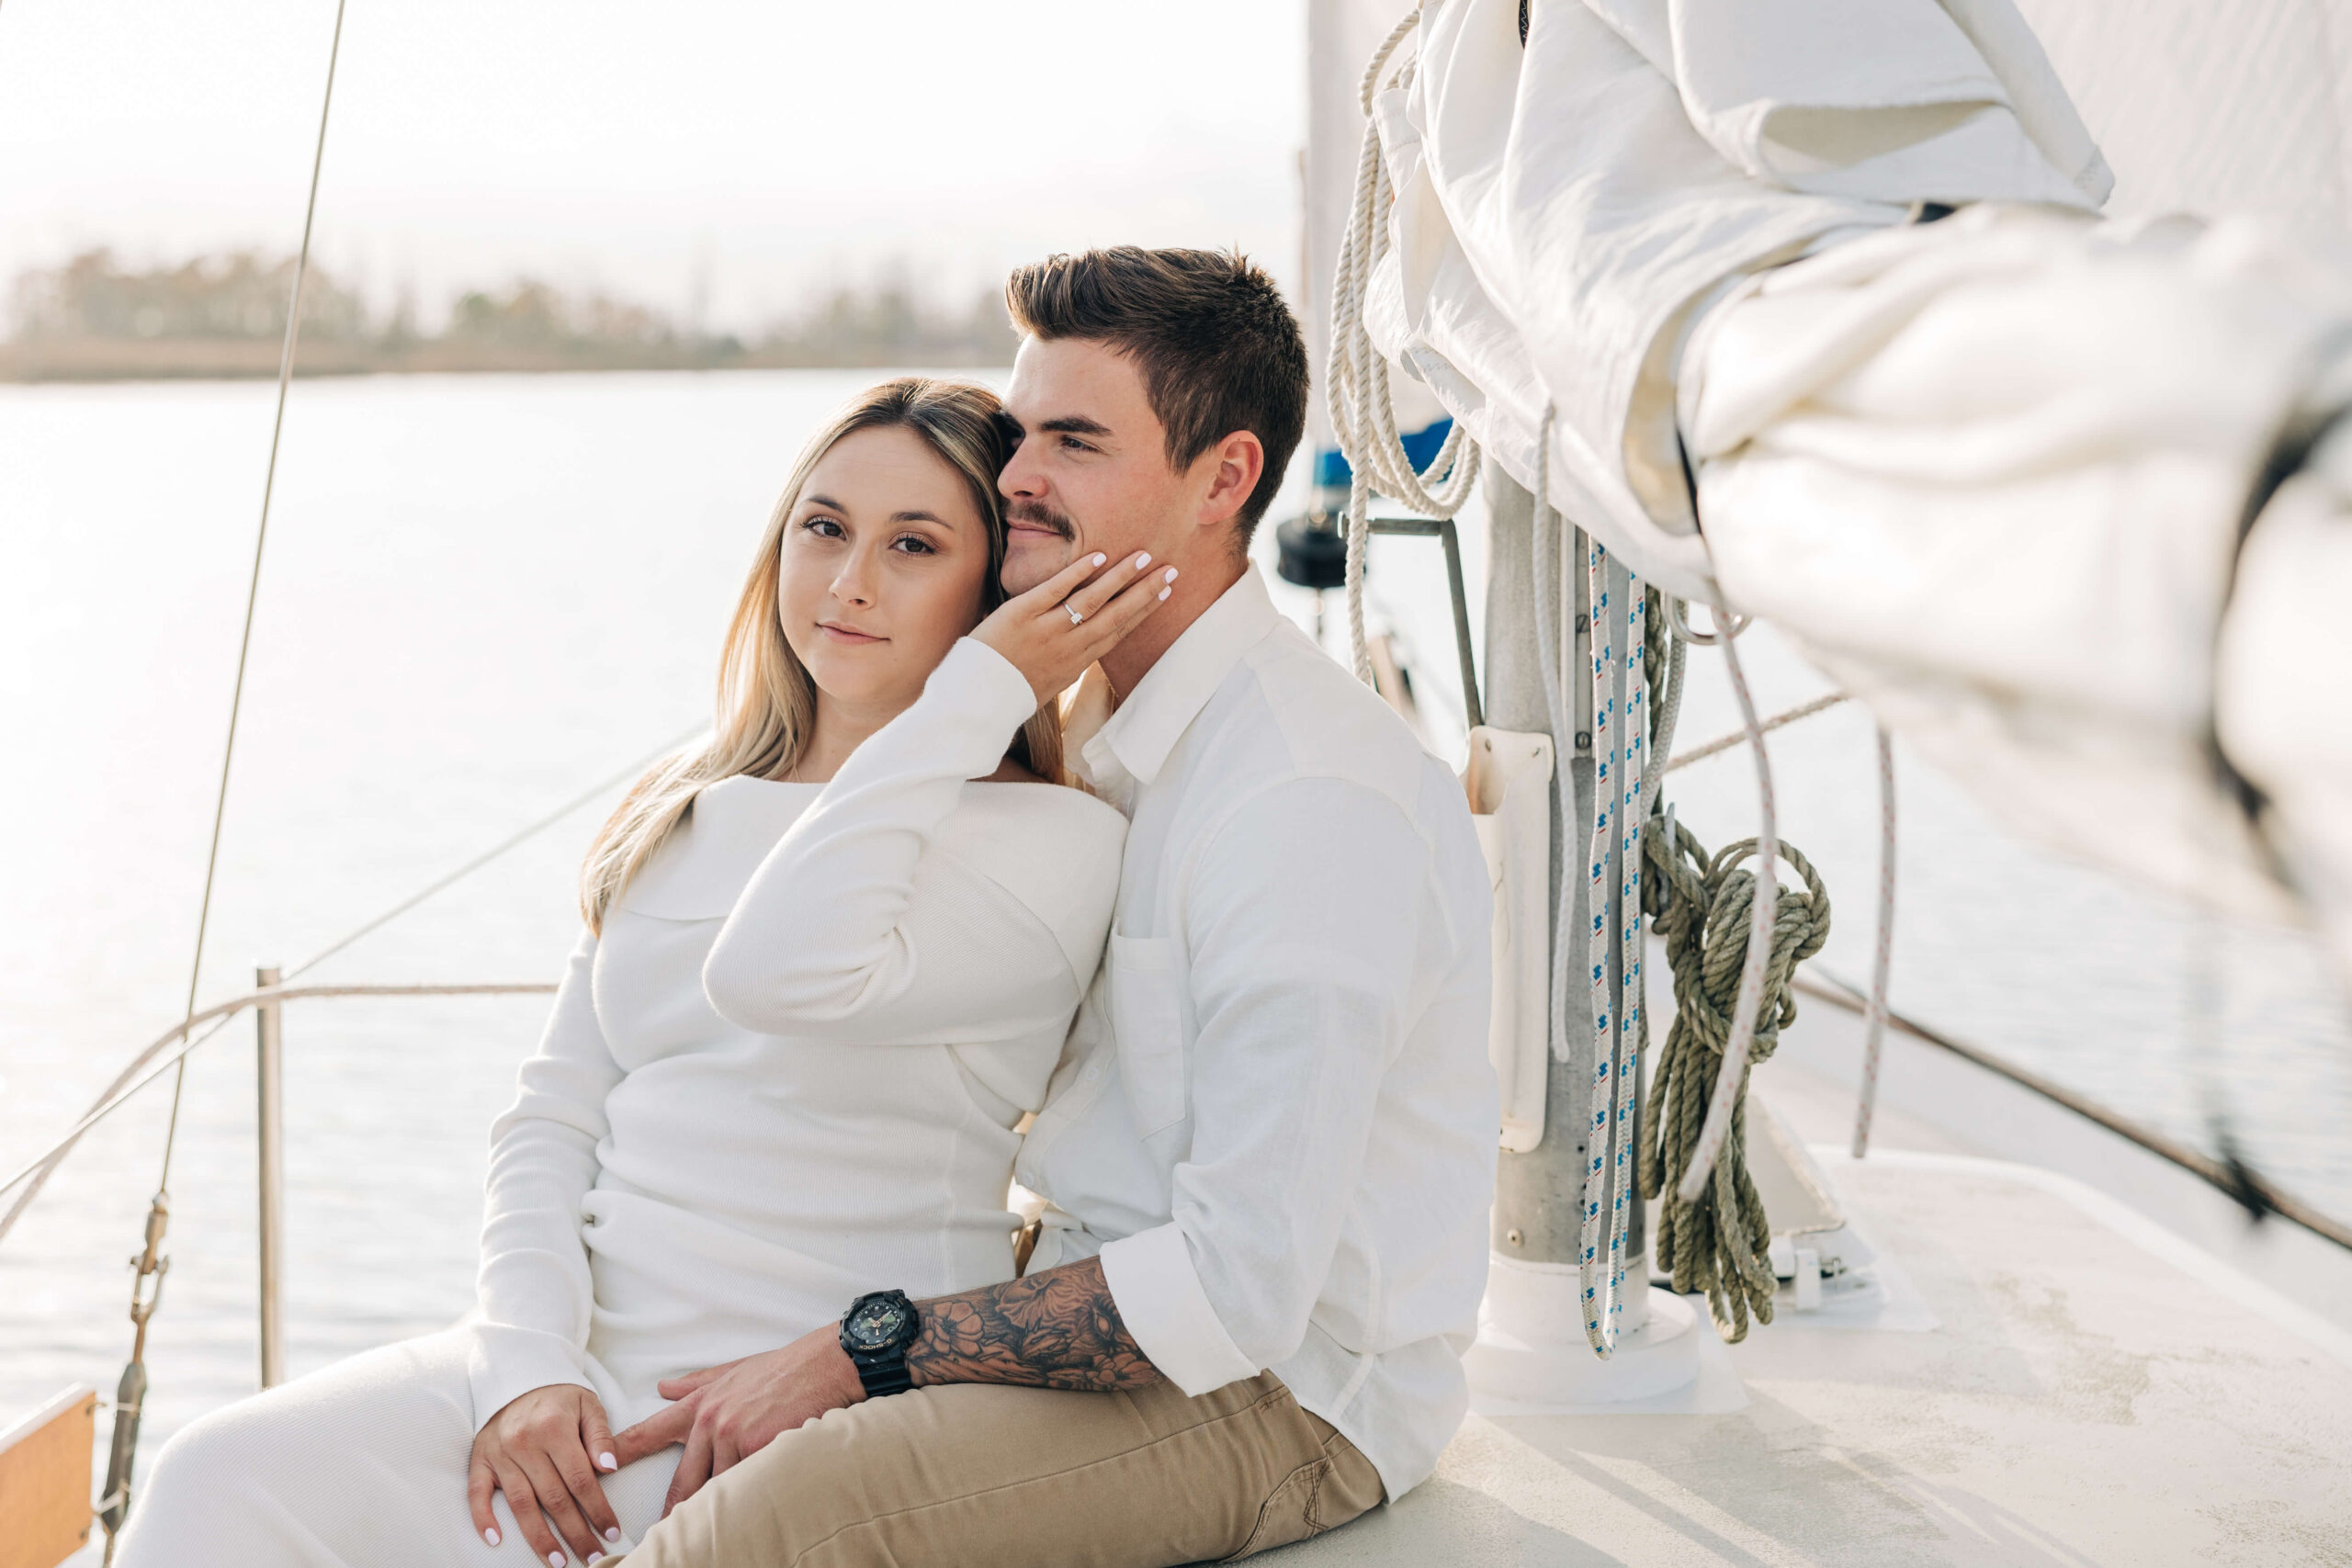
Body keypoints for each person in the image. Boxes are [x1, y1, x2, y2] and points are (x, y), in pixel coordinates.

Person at [116, 378, 1174, 1567]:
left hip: (794, 1389)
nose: (850, 581)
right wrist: (522, 1368)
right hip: (565, 1352)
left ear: (994, 599)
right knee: (218, 1479)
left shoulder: (1057, 844)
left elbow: (786, 967)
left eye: (914, 546)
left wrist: (973, 702)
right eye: (822, 528)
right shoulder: (687, 808)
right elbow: (550, 1117)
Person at [596, 248, 1498, 1567]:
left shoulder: (1306, 802)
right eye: (1020, 435)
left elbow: (1239, 1292)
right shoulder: (1093, 728)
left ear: (1226, 480)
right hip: (1081, 1298)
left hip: (1279, 1397)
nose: (1016, 476)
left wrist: (870, 1351)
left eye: (1074, 442)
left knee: (781, 1517)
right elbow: (777, 976)